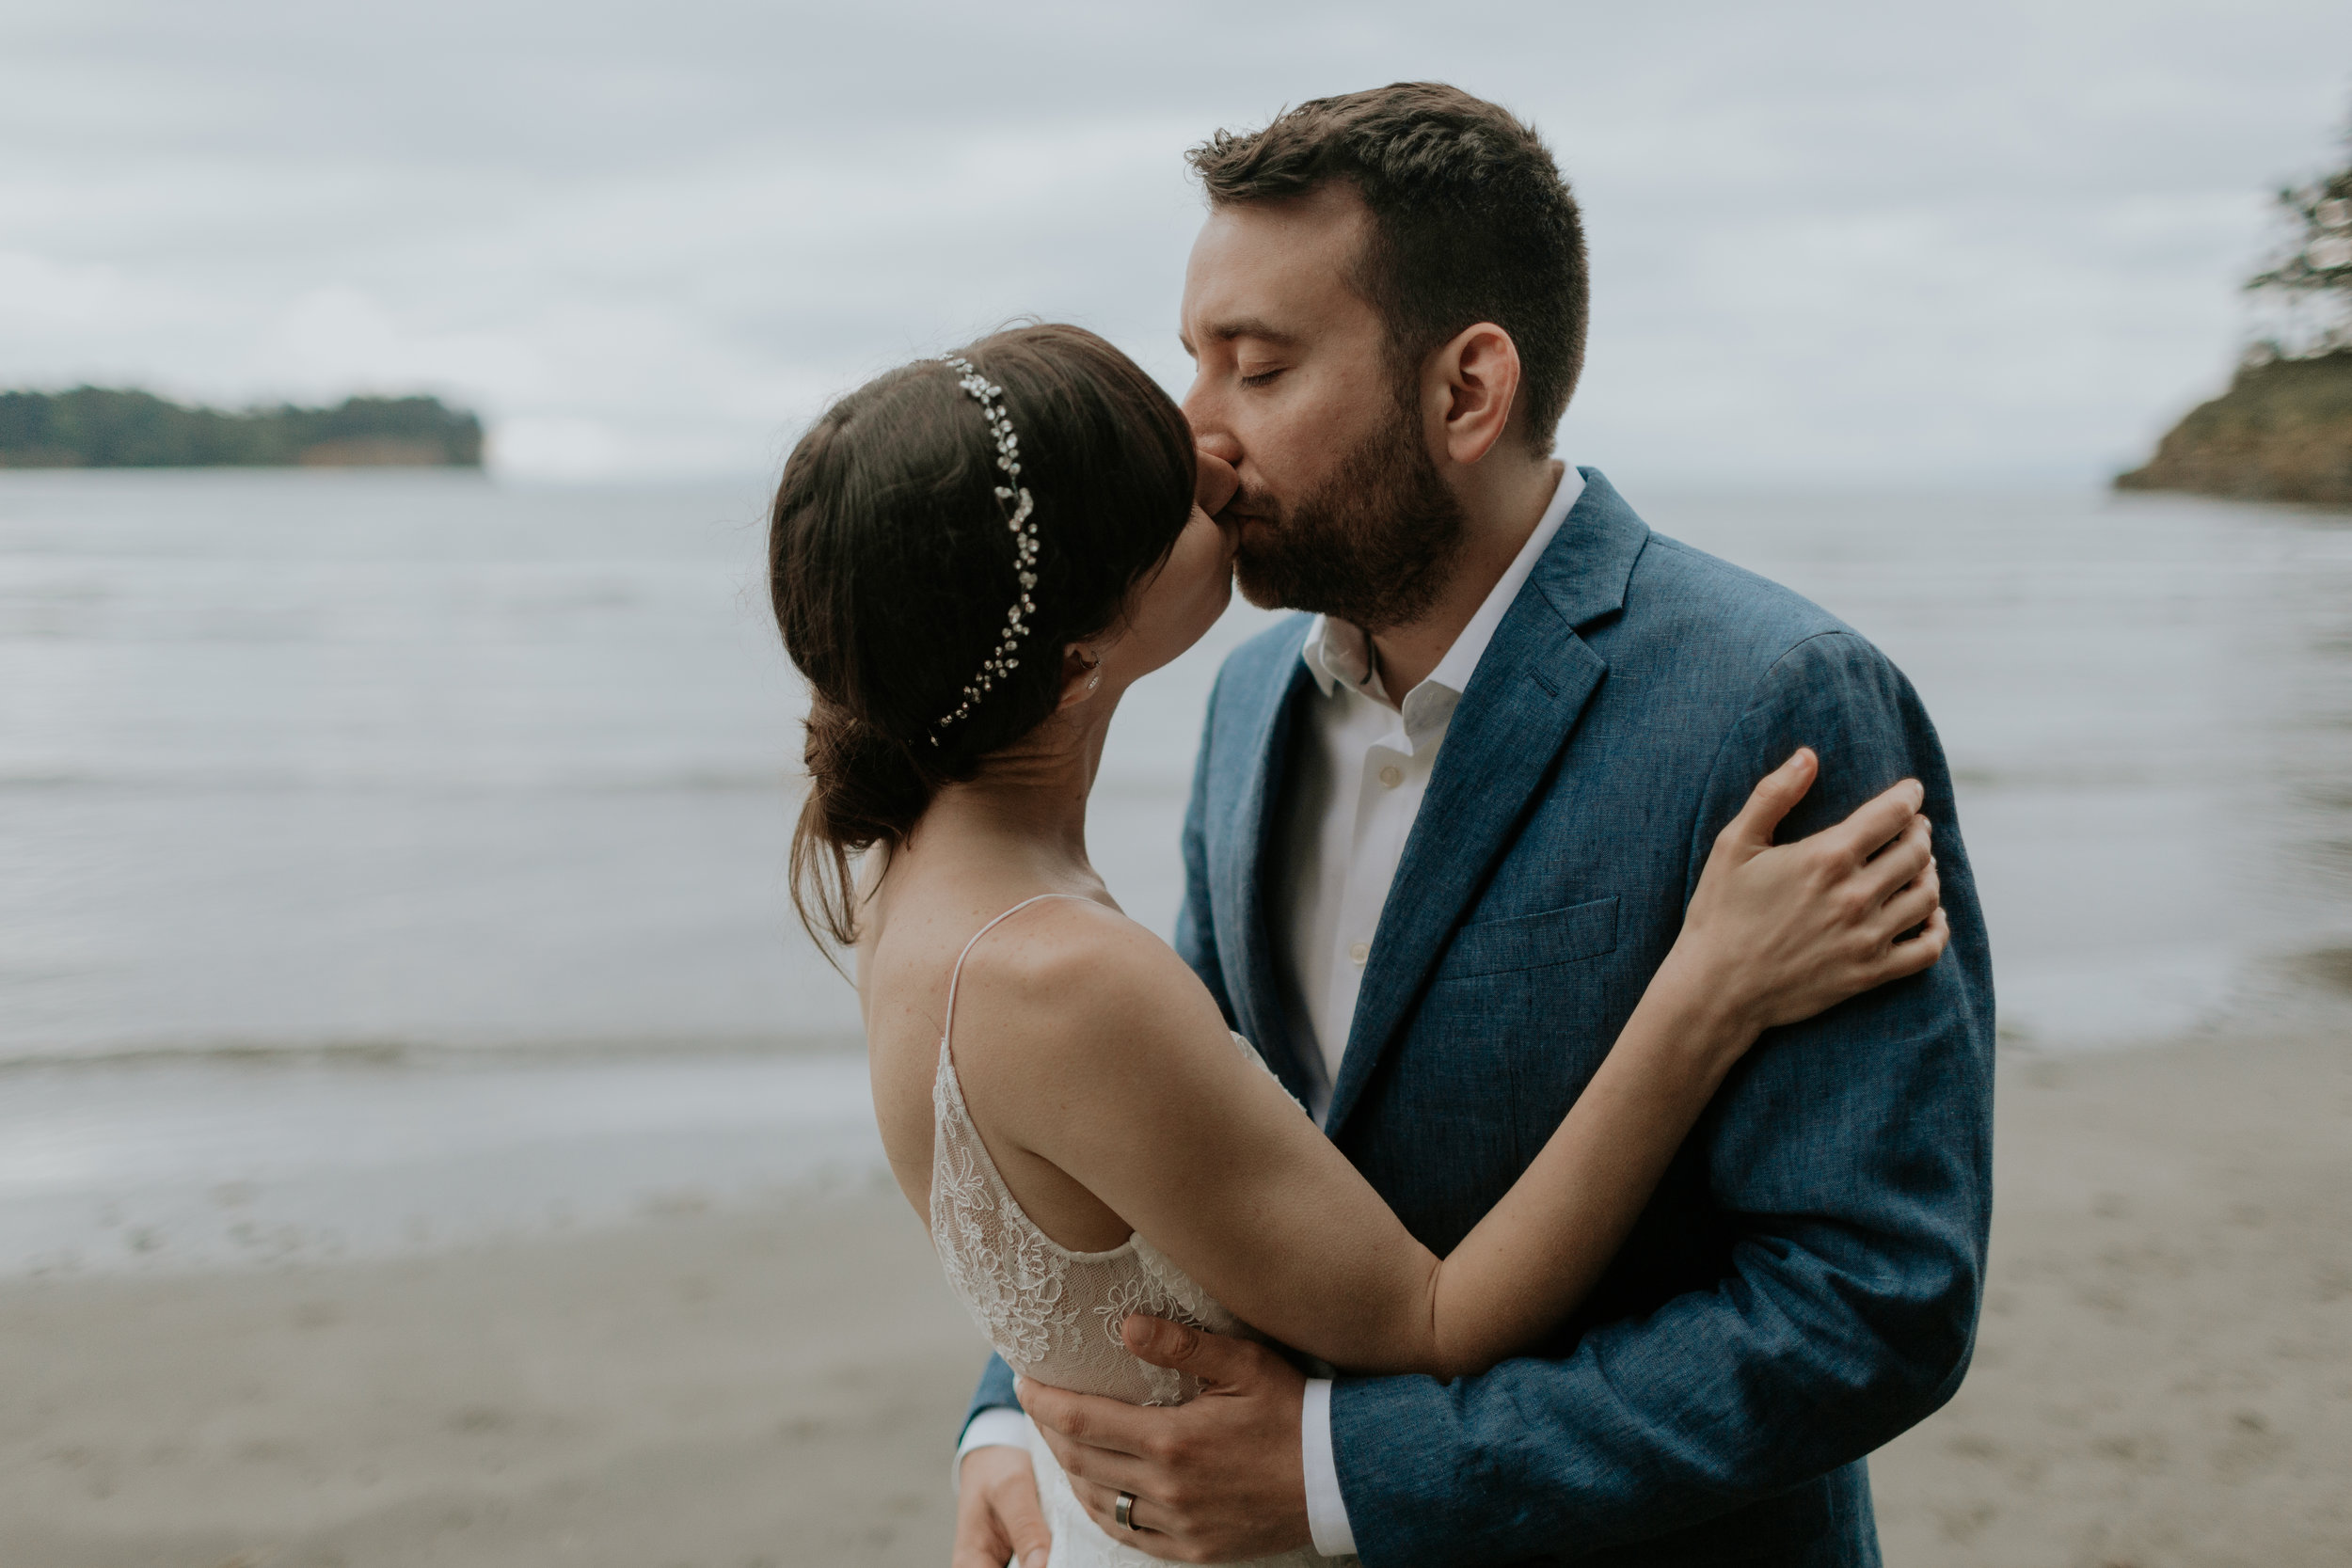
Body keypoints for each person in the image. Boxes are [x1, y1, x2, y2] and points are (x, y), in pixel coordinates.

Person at [945, 86, 1995, 1568]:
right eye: (1196, 364)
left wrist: (1340, 1474)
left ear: (1467, 391)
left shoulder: (1781, 705)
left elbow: (1872, 1300)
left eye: (1258, 369)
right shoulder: (1249, 703)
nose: (1198, 439)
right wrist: (1012, 1414)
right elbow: (1160, 1119)